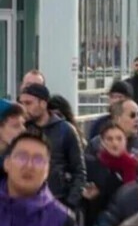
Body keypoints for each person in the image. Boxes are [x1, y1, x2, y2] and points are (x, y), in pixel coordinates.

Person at [17, 84, 86, 212]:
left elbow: (79, 172)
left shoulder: (65, 130)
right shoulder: (21, 129)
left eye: (28, 103)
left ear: (43, 104)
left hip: (57, 201)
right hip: (26, 202)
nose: (24, 108)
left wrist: (69, 205)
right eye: (21, 103)